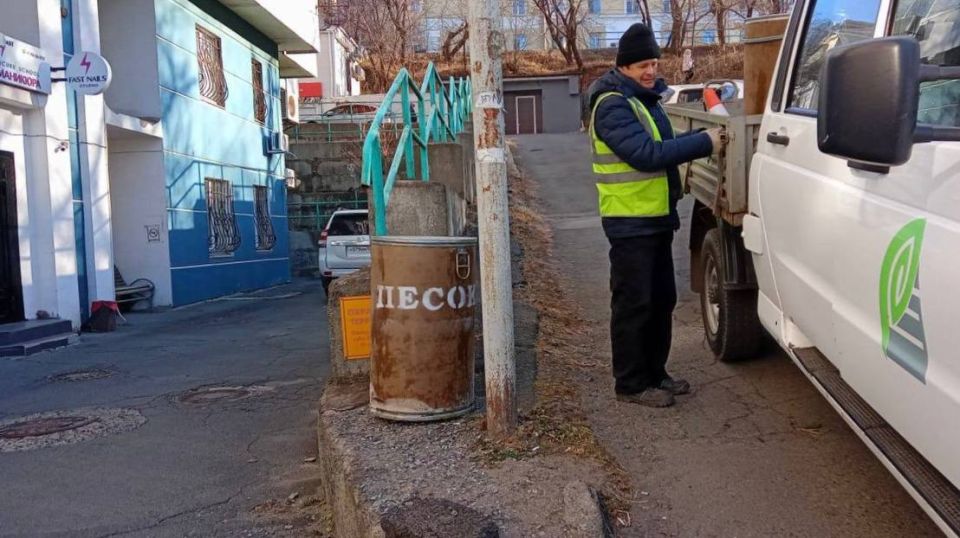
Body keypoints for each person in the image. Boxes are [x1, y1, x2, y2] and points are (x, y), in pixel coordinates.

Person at [587, 23, 725, 408]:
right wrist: (704, 142)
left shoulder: (643, 100)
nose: (650, 71)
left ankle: (656, 373)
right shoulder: (612, 105)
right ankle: (631, 384)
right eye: (641, 65)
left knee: (662, 299)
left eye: (653, 62)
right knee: (635, 303)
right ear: (624, 68)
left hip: (655, 217)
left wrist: (698, 141)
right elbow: (647, 154)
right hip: (629, 222)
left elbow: (662, 144)